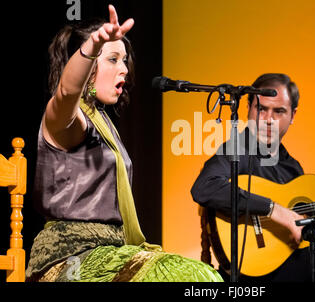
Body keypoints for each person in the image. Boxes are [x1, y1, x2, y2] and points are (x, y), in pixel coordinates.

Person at [26, 5, 222, 282]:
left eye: (125, 60)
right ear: (88, 65)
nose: (124, 69)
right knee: (189, 276)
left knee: (199, 275)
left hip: (112, 251)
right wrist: (93, 45)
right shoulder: (70, 119)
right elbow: (67, 92)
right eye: (113, 59)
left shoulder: (103, 122)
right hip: (70, 258)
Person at [191, 73, 315, 282]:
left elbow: (303, 244)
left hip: (286, 267)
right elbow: (204, 188)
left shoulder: (292, 167)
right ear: (249, 110)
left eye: (279, 111)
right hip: (251, 273)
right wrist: (275, 210)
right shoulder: (236, 150)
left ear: (293, 116)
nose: (268, 120)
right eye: (261, 109)